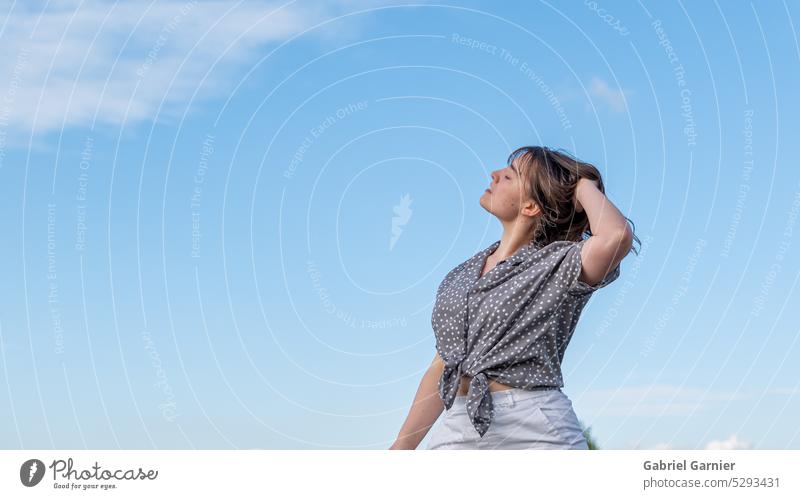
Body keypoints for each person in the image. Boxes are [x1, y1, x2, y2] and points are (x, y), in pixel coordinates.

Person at [389, 146, 640, 450]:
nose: (495, 175)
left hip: (536, 427)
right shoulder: (460, 277)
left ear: (531, 206)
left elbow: (615, 237)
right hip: (459, 423)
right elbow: (443, 363)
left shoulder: (560, 262)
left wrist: (581, 183)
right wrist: (400, 449)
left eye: (510, 176)